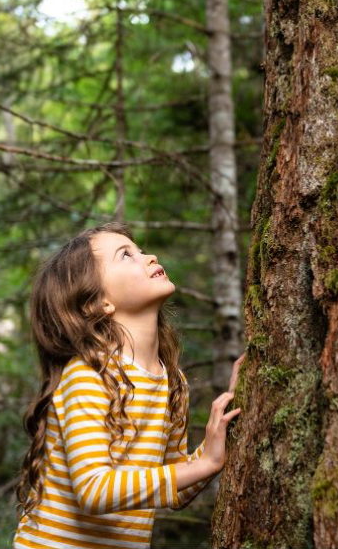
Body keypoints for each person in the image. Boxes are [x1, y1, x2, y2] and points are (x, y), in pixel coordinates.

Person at [12, 222, 245, 548]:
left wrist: (234, 412)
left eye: (140, 250)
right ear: (97, 303)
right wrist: (208, 463)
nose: (149, 256)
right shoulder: (88, 376)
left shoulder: (171, 381)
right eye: (126, 255)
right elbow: (94, 491)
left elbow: (175, 485)